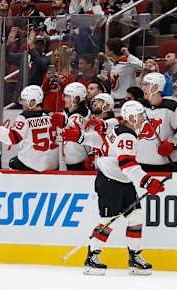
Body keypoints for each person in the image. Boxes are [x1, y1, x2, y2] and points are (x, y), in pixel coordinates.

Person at [62, 100, 165, 275]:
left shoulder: (118, 129)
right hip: (110, 181)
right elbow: (127, 164)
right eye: (140, 116)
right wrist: (147, 181)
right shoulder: (126, 135)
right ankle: (92, 257)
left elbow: (104, 144)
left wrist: (82, 138)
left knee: (136, 217)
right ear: (131, 117)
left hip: (122, 181)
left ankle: (134, 257)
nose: (143, 119)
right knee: (107, 220)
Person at [0, 85, 59, 172]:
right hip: (53, 164)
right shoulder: (51, 115)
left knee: (12, 163)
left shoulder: (25, 118)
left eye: (24, 100)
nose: (22, 103)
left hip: (34, 165)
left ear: (33, 102)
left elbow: (12, 138)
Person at [51, 82, 92, 170]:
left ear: (76, 99)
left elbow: (74, 125)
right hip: (67, 159)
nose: (64, 99)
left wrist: (64, 123)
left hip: (79, 161)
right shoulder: (67, 112)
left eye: (68, 96)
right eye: (65, 96)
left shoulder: (82, 115)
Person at [100, 38, 144, 105]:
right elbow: (113, 68)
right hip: (113, 100)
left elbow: (142, 66)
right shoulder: (115, 63)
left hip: (125, 100)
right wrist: (105, 59)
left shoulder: (128, 63)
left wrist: (128, 55)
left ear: (112, 50)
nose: (105, 50)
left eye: (107, 48)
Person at [42, 46, 78, 112]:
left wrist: (62, 82)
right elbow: (43, 90)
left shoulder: (70, 73)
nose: (57, 58)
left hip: (62, 106)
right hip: (48, 106)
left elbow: (72, 92)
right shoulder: (50, 72)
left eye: (59, 55)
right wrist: (47, 80)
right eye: (55, 55)